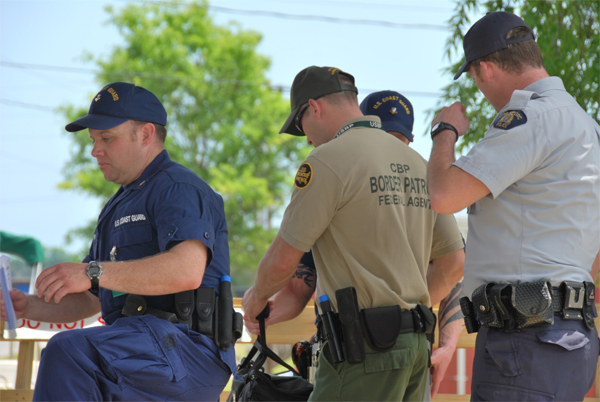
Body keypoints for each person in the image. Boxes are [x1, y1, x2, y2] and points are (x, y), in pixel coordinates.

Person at [0, 82, 237, 401]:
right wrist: (29, 306)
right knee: (77, 360)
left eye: (107, 139)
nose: (95, 150)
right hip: (139, 348)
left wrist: (91, 272)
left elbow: (187, 270)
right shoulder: (117, 206)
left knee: (68, 353)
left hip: (184, 348)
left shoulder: (177, 188)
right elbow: (90, 299)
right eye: (94, 140)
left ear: (146, 134)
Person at [242, 66, 465, 401]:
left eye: (301, 124)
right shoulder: (418, 163)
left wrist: (255, 299)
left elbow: (281, 263)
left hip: (361, 354)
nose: (306, 138)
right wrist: (400, 310)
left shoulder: (326, 161)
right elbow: (453, 264)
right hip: (415, 349)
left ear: (314, 107)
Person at [427, 11, 600, 401]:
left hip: (526, 343)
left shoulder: (530, 118)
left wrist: (445, 134)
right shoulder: (587, 126)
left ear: (484, 69)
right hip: (569, 339)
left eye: (474, 76)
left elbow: (444, 195)